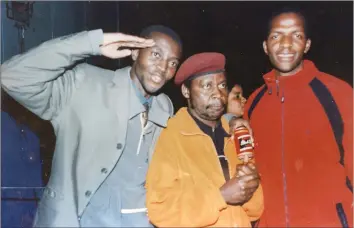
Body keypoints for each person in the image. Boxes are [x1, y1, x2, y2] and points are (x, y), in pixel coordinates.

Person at [1, 25, 183, 227]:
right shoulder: (86, 84)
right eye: (156, 54)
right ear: (135, 51)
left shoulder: (164, 106)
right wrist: (89, 43)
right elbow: (12, 77)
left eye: (172, 62)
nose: (163, 67)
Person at [244, 9, 353, 227]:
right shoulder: (254, 103)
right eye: (276, 35)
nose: (286, 43)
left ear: (307, 45)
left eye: (297, 35)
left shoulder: (338, 93)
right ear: (266, 46)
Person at [146, 52, 264, 227]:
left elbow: (255, 210)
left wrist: (251, 189)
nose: (218, 94)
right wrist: (221, 196)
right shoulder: (172, 136)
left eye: (222, 85)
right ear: (186, 91)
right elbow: (159, 211)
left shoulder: (235, 136)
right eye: (207, 86)